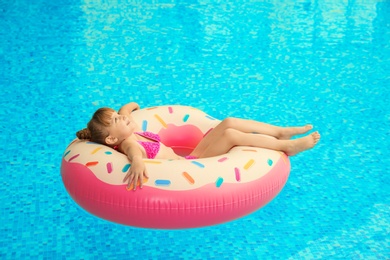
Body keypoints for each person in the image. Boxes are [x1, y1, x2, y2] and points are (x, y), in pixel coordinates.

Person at [76, 102, 320, 190]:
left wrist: (124, 111)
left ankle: (280, 131)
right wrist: (137, 164)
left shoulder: (128, 128)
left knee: (229, 122)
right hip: (192, 165)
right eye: (117, 120)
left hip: (191, 156)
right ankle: (287, 147)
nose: (122, 117)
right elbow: (133, 155)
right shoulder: (128, 141)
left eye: (117, 115)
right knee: (232, 134)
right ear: (111, 140)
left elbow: (129, 106)